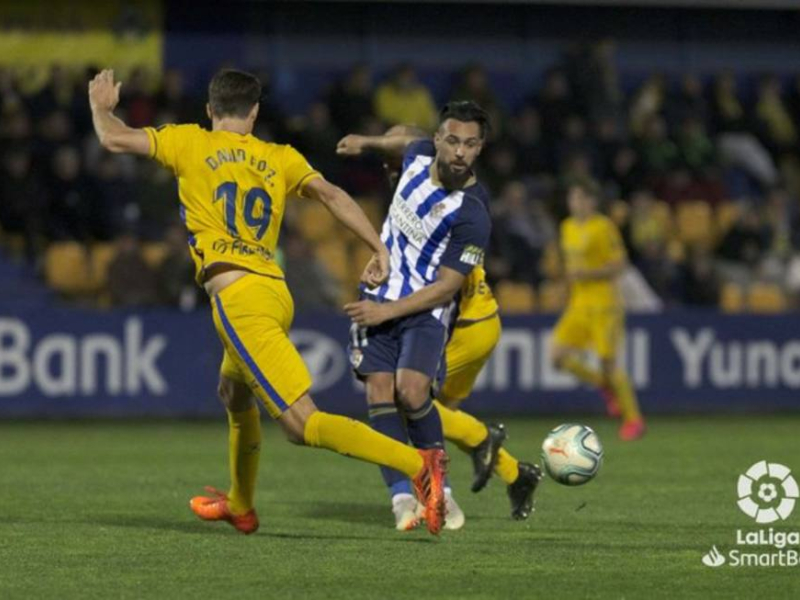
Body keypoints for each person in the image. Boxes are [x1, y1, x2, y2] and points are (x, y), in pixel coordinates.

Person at [88, 68, 447, 535]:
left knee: (302, 424)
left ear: (210, 109)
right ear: (254, 113)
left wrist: (100, 107)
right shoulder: (279, 156)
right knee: (233, 393)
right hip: (274, 292)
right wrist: (378, 247)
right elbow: (332, 195)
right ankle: (240, 505)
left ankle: (419, 465)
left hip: (240, 298)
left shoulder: (187, 141)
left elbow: (113, 138)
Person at [336, 103, 540, 530]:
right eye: (452, 141)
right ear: (437, 141)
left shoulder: (470, 210)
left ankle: (456, 473)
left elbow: (446, 286)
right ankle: (430, 491)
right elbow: (407, 141)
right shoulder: (415, 160)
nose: (460, 151)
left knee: (413, 397)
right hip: (409, 304)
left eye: (470, 144)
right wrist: (368, 143)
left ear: (479, 148)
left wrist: (386, 305)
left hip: (460, 319)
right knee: (398, 398)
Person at [551, 178, 646, 441]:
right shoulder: (567, 227)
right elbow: (570, 269)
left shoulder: (603, 227)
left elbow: (620, 265)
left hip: (605, 304)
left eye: (581, 198)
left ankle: (634, 420)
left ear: (592, 201)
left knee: (608, 363)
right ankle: (604, 385)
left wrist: (588, 274)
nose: (576, 203)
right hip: (578, 304)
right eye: (573, 198)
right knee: (556, 356)